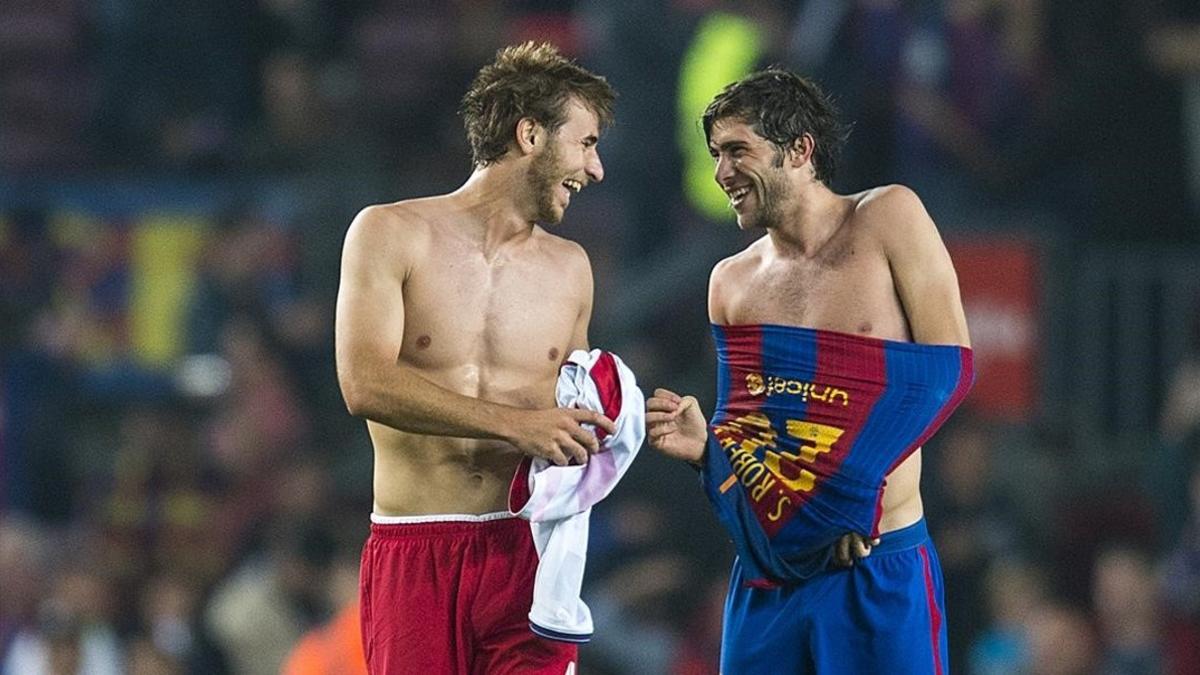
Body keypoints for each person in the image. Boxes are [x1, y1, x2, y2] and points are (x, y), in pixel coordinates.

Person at [646, 69, 973, 674]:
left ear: (799, 149)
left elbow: (945, 370)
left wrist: (846, 500)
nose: (721, 174)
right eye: (716, 154)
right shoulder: (729, 282)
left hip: (876, 564)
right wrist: (706, 450)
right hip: (770, 571)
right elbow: (750, 432)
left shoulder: (888, 218)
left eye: (737, 150)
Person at [334, 42, 616, 674]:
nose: (595, 169)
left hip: (526, 552)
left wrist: (620, 423)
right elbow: (364, 384)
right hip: (416, 548)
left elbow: (569, 413)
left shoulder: (573, 269)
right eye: (587, 142)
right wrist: (515, 423)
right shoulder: (388, 232)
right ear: (530, 133)